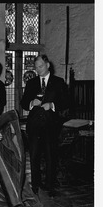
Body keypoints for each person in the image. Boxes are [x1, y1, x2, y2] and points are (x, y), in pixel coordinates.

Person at [20, 54, 69, 198]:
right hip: (34, 125)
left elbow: (67, 103)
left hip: (51, 125)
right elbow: (23, 103)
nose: (38, 70)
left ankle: (50, 185)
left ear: (48, 65)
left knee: (50, 156)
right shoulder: (31, 83)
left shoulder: (59, 82)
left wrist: (52, 105)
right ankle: (35, 185)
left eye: (40, 66)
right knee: (34, 156)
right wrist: (30, 103)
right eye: (36, 67)